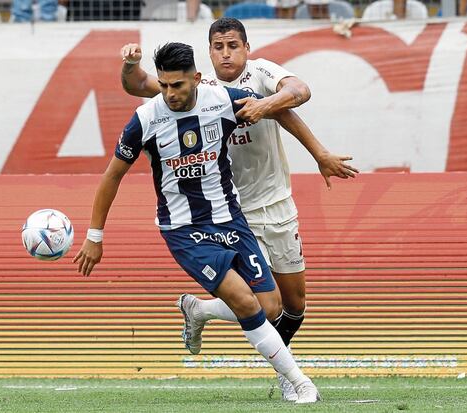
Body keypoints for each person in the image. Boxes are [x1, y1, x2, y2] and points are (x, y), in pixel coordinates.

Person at [119, 18, 358, 401]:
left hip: (276, 202)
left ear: (246, 47)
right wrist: (131, 64)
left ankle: (202, 310)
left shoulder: (260, 74)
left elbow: (298, 92)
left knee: (295, 306)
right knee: (264, 302)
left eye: (233, 45)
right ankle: (289, 377)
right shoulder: (198, 88)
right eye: (218, 47)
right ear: (209, 53)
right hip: (230, 211)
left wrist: (269, 109)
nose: (226, 53)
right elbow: (139, 85)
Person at [74, 42, 322, 404]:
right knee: (246, 303)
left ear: (197, 79)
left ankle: (199, 309)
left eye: (177, 85)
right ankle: (301, 383)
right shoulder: (145, 119)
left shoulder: (221, 100)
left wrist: (319, 153)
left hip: (231, 219)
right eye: (163, 85)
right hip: (184, 230)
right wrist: (94, 235)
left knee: (271, 306)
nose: (169, 94)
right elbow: (112, 176)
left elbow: (281, 110)